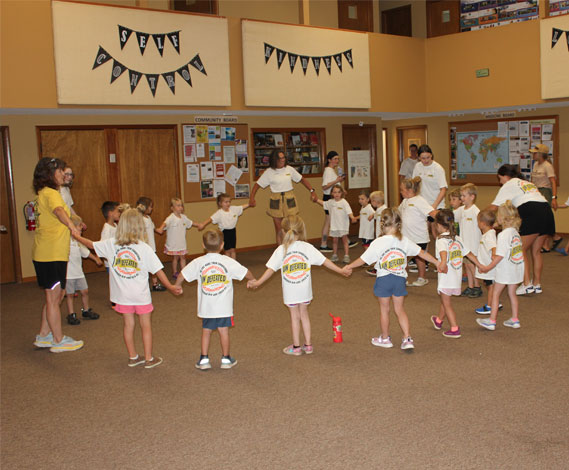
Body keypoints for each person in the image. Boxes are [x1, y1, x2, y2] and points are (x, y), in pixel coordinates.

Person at [77, 209, 181, 368]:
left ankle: (133, 357)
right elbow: (158, 271)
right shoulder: (143, 248)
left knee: (128, 325)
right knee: (145, 326)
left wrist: (75, 235)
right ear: (139, 227)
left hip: (122, 296)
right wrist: (171, 287)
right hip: (140, 296)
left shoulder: (111, 244)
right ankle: (148, 358)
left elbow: (90, 244)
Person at [247, 216, 346, 356]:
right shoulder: (307, 247)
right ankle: (308, 345)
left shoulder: (281, 250)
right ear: (301, 230)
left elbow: (270, 270)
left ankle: (296, 347)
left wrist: (257, 282)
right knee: (304, 315)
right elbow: (325, 262)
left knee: (294, 317)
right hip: (305, 291)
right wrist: (340, 270)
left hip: (291, 292)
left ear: (283, 231)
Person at [343, 208, 440, 350]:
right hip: (400, 280)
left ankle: (385, 338)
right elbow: (422, 253)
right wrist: (437, 262)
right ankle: (407, 338)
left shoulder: (378, 242)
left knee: (384, 310)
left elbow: (363, 260)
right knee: (400, 309)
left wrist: (349, 266)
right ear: (399, 224)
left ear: (382, 224)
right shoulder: (405, 241)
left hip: (384, 280)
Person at [175, 230, 254, 370]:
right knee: (224, 331)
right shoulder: (228, 261)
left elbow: (182, 274)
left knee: (206, 331)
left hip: (207, 307)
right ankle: (226, 359)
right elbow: (245, 272)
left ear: (203, 245)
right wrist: (252, 279)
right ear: (222, 245)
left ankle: (204, 359)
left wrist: (177, 285)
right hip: (223, 307)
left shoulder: (198, 262)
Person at [31, 157, 84, 353]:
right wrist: (71, 226)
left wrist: (75, 220)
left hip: (48, 252)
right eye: (60, 171)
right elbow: (59, 211)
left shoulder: (42, 194)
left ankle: (44, 335)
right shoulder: (51, 194)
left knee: (55, 295)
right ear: (49, 173)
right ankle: (58, 340)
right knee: (54, 298)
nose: (64, 174)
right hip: (51, 253)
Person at [488, 164, 555, 295]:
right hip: (546, 211)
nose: (500, 182)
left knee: (521, 249)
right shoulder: (526, 183)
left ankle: (526, 284)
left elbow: (493, 207)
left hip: (532, 212)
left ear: (506, 176)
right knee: (536, 252)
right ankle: (537, 284)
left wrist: (480, 217)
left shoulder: (509, 184)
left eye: (500, 178)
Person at [429, 210, 482, 339]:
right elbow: (469, 254)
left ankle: (454, 328)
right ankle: (439, 321)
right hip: (456, 277)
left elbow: (443, 253)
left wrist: (442, 263)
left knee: (447, 303)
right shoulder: (457, 238)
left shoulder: (441, 240)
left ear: (439, 225)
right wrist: (480, 265)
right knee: (445, 299)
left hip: (446, 278)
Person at [249, 149, 317, 245]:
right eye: (280, 158)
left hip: (289, 198)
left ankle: (292, 249)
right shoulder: (269, 172)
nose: (282, 160)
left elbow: (302, 179)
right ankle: (281, 252)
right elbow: (257, 185)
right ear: (274, 160)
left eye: (283, 158)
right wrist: (252, 197)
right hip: (275, 200)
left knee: (292, 227)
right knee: (279, 229)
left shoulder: (289, 169)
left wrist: (312, 191)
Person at [476, 201, 524, 331]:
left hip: (505, 270)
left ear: (502, 218)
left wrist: (487, 267)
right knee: (512, 294)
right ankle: (515, 319)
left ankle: (491, 321)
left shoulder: (503, 235)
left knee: (496, 294)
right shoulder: (515, 233)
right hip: (516, 268)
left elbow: (499, 256)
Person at [398, 177, 437, 287]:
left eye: (402, 190)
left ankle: (422, 278)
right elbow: (398, 212)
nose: (400, 192)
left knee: (420, 258)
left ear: (410, 190)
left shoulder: (419, 200)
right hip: (406, 236)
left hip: (419, 237)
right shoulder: (405, 201)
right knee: (402, 257)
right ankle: (402, 277)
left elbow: (432, 213)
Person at [64, 214, 102, 325]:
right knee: (70, 294)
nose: (81, 232)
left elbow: (86, 252)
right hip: (68, 274)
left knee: (85, 291)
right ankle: (71, 314)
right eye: (79, 229)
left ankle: (86, 310)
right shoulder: (66, 242)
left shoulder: (78, 243)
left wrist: (95, 259)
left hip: (79, 273)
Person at [197, 193, 250, 259]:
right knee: (227, 250)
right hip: (224, 232)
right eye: (226, 202)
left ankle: (234, 264)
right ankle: (227, 264)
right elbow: (211, 219)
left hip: (233, 231)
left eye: (229, 202)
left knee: (233, 249)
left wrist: (249, 204)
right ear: (220, 203)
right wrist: (203, 224)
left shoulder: (233, 209)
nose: (228, 203)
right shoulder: (219, 213)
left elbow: (242, 207)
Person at [529, 144, 561, 252]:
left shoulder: (547, 165)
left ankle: (547, 244)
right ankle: (555, 237)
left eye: (535, 153)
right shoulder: (536, 164)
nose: (533, 154)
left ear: (541, 154)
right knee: (541, 218)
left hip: (545, 191)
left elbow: (553, 181)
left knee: (544, 218)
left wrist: (554, 197)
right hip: (536, 191)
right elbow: (533, 180)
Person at [314, 184, 357, 263]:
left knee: (344, 240)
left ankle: (346, 255)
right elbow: (324, 203)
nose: (337, 194)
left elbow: (349, 212)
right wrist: (316, 200)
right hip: (334, 226)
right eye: (335, 192)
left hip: (343, 226)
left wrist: (352, 217)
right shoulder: (330, 202)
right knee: (334, 241)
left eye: (339, 192)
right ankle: (335, 255)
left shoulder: (344, 202)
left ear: (341, 193)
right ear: (332, 194)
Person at [412, 144, 448, 239]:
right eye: (423, 158)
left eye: (428, 157)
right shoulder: (417, 167)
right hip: (422, 204)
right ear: (419, 157)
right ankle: (423, 253)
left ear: (431, 155)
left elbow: (443, 189)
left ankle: (441, 252)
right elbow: (414, 184)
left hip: (436, 204)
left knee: (436, 232)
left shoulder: (437, 168)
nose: (426, 160)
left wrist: (434, 206)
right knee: (422, 233)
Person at [156, 197, 194, 280]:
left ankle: (184, 272)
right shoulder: (171, 218)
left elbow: (191, 223)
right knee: (175, 258)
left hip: (182, 243)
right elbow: (165, 223)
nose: (181, 207)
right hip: (174, 243)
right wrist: (161, 228)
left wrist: (199, 224)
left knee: (183, 257)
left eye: (181, 205)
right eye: (178, 206)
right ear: (172, 208)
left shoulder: (184, 217)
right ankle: (174, 272)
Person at [473, 209, 503, 315]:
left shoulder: (489, 235)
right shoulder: (488, 233)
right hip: (487, 266)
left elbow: (493, 247)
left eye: (478, 221)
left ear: (483, 223)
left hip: (489, 267)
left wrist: (494, 256)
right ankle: (496, 302)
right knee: (489, 285)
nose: (477, 224)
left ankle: (490, 306)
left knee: (491, 287)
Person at [455, 183, 482, 298]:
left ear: (472, 197)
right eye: (461, 196)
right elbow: (452, 216)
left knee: (472, 266)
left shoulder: (476, 211)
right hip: (464, 244)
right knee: (466, 266)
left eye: (464, 196)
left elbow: (482, 226)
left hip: (473, 244)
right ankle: (470, 286)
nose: (462, 198)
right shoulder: (461, 210)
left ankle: (477, 286)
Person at [136, 196, 165, 292]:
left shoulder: (148, 218)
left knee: (153, 266)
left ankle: (155, 284)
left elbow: (153, 228)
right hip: (145, 247)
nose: (152, 209)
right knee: (143, 267)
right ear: (145, 207)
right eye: (150, 207)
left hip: (152, 247)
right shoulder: (139, 219)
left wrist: (160, 230)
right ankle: (143, 285)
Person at [319, 151, 345, 251]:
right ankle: (323, 244)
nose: (337, 161)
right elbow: (325, 186)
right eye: (335, 159)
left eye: (338, 159)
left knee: (330, 220)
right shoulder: (328, 171)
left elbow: (333, 184)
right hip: (328, 198)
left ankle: (324, 244)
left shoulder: (332, 171)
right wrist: (337, 181)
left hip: (333, 197)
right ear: (329, 160)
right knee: (329, 221)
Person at [100, 201, 120, 269]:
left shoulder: (115, 225)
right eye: (117, 211)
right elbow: (103, 245)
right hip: (111, 262)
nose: (119, 213)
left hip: (118, 259)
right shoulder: (107, 228)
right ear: (110, 213)